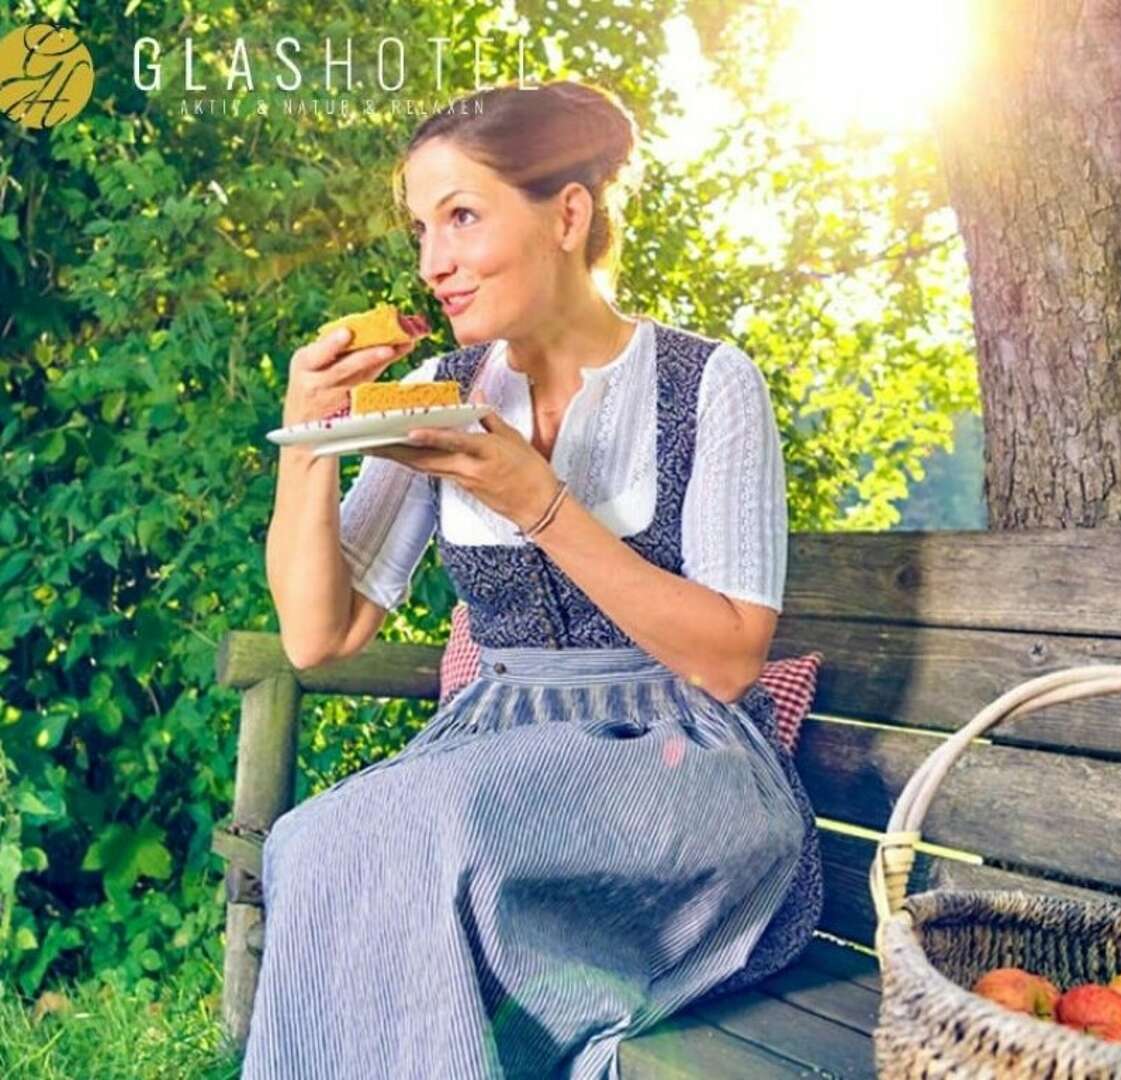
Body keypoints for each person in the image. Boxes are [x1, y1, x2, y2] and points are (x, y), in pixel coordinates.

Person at [251, 80, 822, 1079]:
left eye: (463, 216)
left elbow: (730, 661)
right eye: (424, 227)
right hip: (498, 751)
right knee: (308, 842)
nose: (435, 262)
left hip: (683, 764)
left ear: (567, 213)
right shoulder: (444, 393)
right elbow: (316, 635)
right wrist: (311, 442)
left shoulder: (707, 383)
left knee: (434, 823)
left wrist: (538, 500)